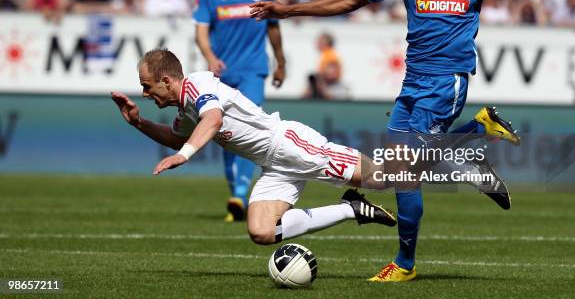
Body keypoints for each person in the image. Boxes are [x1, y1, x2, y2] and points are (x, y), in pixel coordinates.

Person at [250, 0, 520, 282]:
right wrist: (290, 10)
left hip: (446, 84)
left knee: (405, 170)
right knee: (396, 171)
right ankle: (477, 132)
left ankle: (406, 264)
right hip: (411, 83)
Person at [111, 49, 396, 246]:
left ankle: (429, 147)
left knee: (382, 178)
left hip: (291, 146)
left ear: (166, 80)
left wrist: (183, 156)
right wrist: (139, 123)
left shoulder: (198, 84)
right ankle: (351, 209)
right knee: (261, 232)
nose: (145, 94)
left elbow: (213, 118)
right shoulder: (186, 109)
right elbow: (176, 137)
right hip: (272, 166)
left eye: (147, 86)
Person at [193, 0, 286, 223]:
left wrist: (280, 60)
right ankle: (236, 193)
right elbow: (201, 29)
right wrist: (210, 57)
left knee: (251, 126)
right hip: (222, 72)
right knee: (222, 132)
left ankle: (241, 192)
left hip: (253, 70)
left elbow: (273, 25)